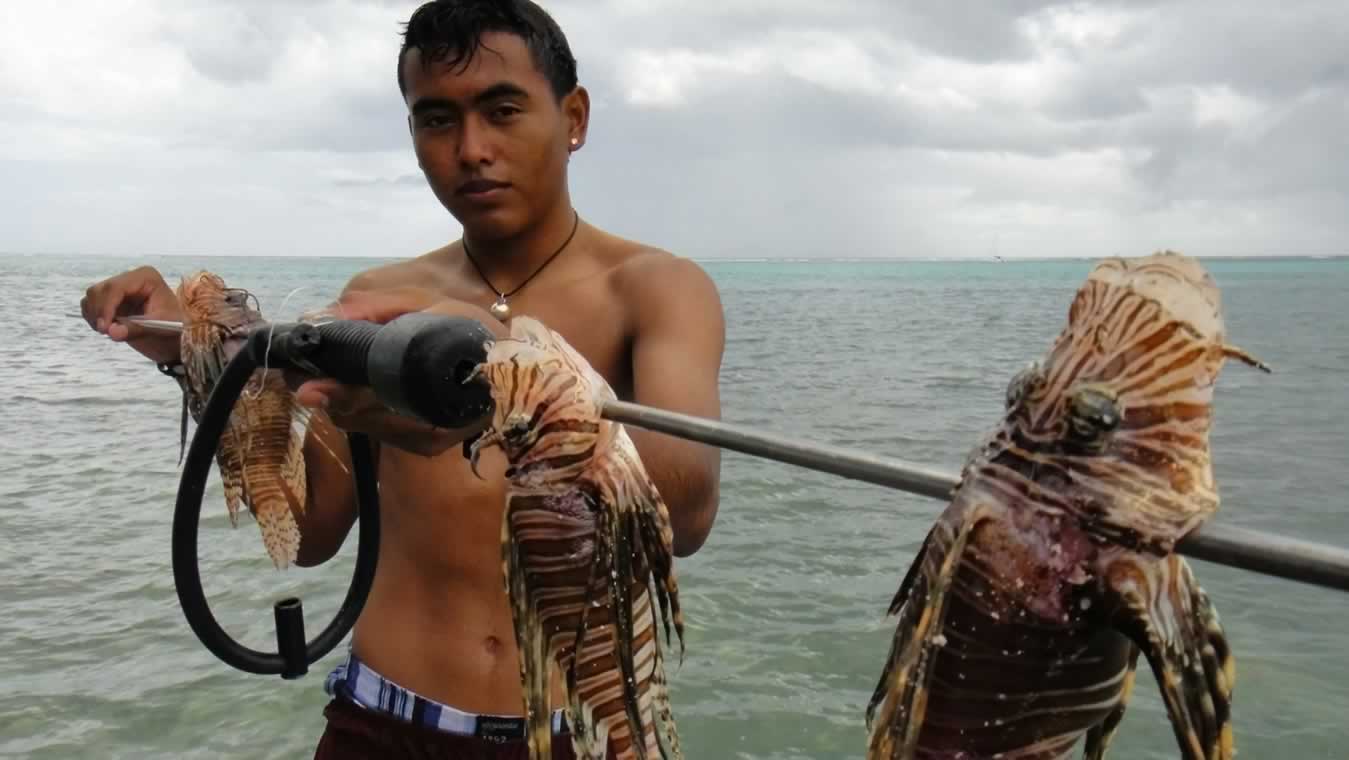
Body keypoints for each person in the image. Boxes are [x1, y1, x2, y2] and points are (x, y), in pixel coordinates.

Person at [78, 1, 725, 757]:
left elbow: (684, 511)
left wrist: (511, 367)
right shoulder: (380, 298)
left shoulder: (653, 289)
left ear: (573, 117)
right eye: (436, 119)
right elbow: (314, 527)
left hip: (575, 735)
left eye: (503, 109)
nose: (472, 148)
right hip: (382, 723)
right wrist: (195, 354)